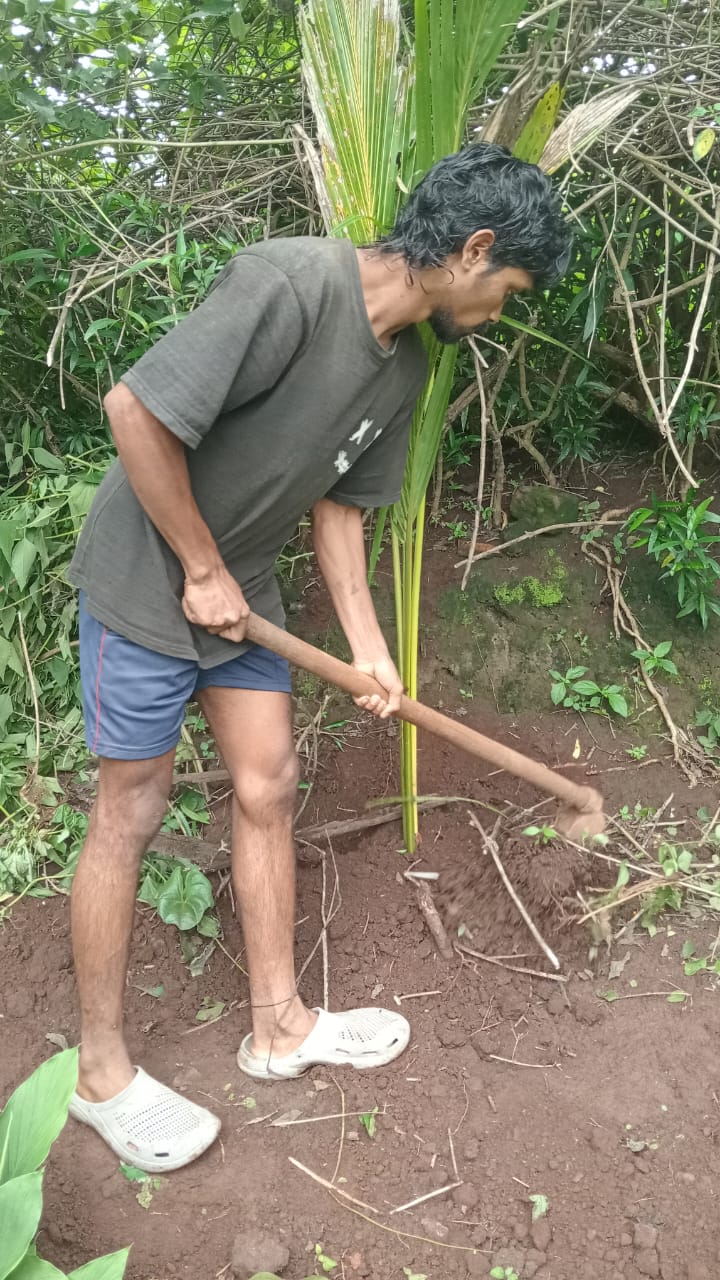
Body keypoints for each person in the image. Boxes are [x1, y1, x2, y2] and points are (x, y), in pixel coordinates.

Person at [66, 143, 572, 1172]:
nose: (500, 313)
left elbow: (340, 516)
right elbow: (136, 412)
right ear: (473, 250)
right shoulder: (289, 281)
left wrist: (373, 654)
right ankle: (100, 1072)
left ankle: (279, 1025)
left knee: (270, 781)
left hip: (240, 590)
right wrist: (200, 569)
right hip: (146, 580)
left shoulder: (412, 363)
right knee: (133, 806)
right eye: (507, 289)